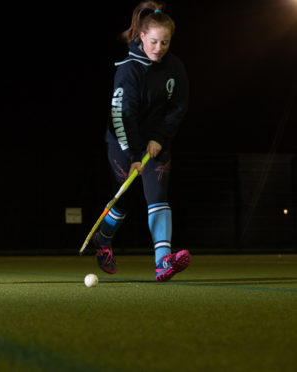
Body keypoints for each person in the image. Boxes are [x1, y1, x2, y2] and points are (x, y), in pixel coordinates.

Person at [92, 1, 190, 281]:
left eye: (165, 42)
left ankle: (163, 262)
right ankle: (103, 241)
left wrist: (159, 138)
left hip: (157, 142)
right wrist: (135, 152)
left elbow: (178, 107)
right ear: (142, 37)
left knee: (158, 197)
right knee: (123, 201)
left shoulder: (175, 67)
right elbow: (122, 115)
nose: (158, 48)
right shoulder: (128, 69)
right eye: (154, 41)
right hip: (123, 141)